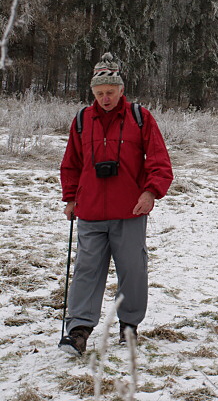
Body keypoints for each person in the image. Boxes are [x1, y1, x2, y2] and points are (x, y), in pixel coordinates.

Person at [58, 52, 174, 356]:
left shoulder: (140, 117)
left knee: (133, 270)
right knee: (86, 269)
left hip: (130, 211)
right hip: (91, 210)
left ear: (121, 90)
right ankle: (79, 330)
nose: (105, 98)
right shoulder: (83, 120)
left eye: (110, 92)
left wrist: (150, 192)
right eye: (99, 93)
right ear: (92, 93)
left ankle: (129, 326)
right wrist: (70, 197)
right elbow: (71, 163)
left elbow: (160, 160)